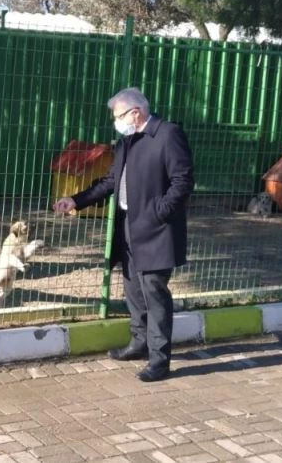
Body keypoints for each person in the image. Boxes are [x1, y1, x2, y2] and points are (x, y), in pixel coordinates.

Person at [53, 87, 194, 382]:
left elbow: (182, 182)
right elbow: (111, 181)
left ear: (135, 113)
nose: (116, 122)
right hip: (128, 227)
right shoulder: (127, 140)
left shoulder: (167, 135)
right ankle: (139, 343)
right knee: (133, 289)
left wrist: (158, 211)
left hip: (157, 230)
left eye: (118, 116)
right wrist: (76, 200)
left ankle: (159, 360)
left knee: (154, 293)